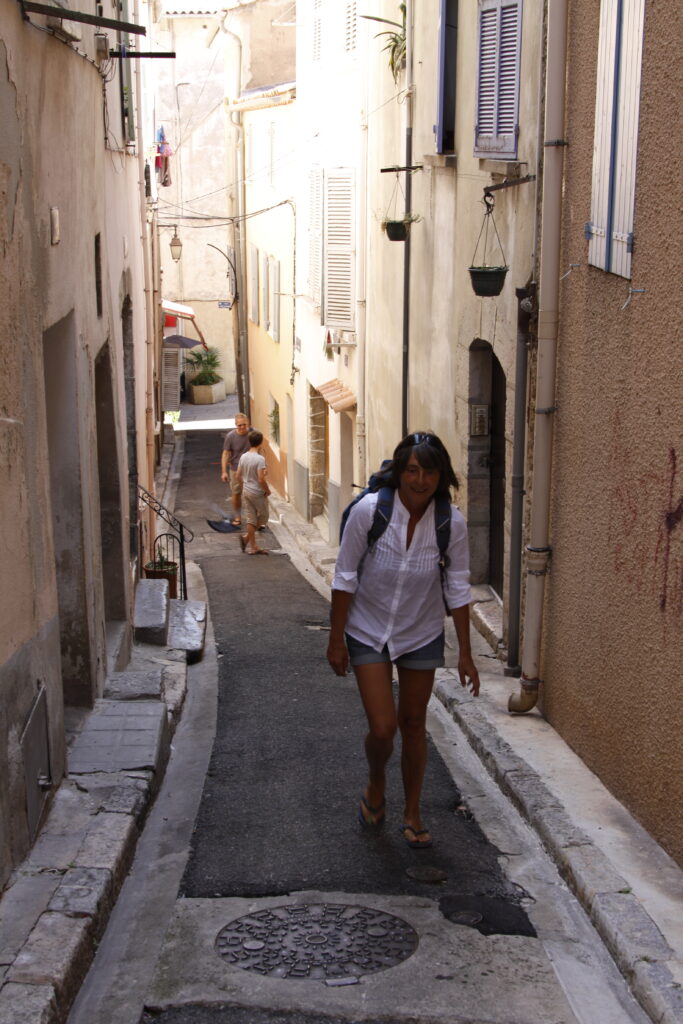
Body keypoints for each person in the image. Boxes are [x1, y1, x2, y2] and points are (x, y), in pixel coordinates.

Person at [326, 432, 480, 849]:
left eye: (429, 472)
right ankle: (376, 781)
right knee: (383, 727)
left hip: (421, 630)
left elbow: (458, 585)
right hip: (367, 627)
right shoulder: (370, 512)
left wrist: (465, 654)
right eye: (412, 470)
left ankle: (412, 811)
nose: (420, 480)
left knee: (413, 724)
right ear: (399, 472)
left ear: (441, 475)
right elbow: (345, 575)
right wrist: (336, 639)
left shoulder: (451, 523)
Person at [236, 431, 271, 555]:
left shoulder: (243, 457)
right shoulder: (260, 459)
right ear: (260, 442)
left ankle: (252, 545)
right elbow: (261, 479)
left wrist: (244, 486)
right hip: (257, 492)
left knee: (251, 519)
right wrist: (267, 491)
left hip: (246, 491)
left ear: (249, 442)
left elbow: (238, 475)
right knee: (264, 516)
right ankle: (248, 540)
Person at [221, 413, 252, 525]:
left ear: (248, 423)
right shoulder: (230, 436)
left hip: (251, 469)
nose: (242, 427)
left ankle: (253, 518)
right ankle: (237, 516)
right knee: (236, 493)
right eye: (239, 425)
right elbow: (225, 454)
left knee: (252, 494)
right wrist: (224, 472)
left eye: (244, 424)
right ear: (235, 425)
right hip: (235, 469)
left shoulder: (253, 434)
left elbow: (259, 450)